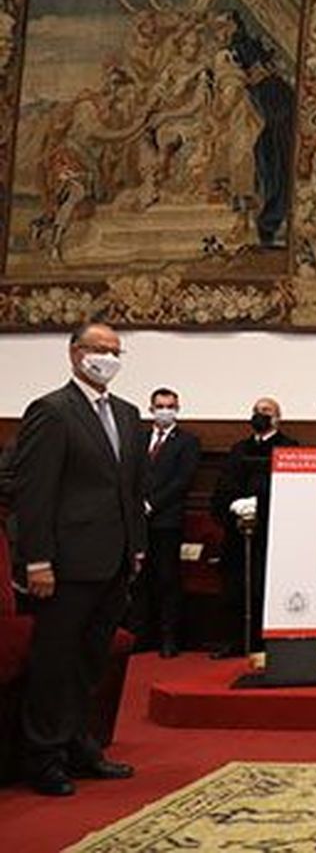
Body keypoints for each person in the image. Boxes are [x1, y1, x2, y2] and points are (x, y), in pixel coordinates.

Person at [12, 322, 146, 796]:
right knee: (55, 661)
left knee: (91, 661)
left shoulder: (128, 415)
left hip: (114, 561)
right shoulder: (52, 411)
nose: (106, 358)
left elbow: (131, 491)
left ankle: (79, 744)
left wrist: (137, 546)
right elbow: (34, 493)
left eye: (114, 350)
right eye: (96, 349)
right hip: (65, 564)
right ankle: (43, 755)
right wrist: (36, 561)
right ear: (74, 354)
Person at [209, 397, 298, 658]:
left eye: (267, 411)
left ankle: (264, 642)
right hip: (237, 531)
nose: (261, 415)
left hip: (270, 533)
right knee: (234, 586)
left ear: (277, 418)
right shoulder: (239, 448)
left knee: (263, 585)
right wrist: (235, 504)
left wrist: (260, 504)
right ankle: (235, 641)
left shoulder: (289, 447)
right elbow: (225, 485)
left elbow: (289, 489)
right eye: (257, 411)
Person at [130, 387, 199, 658]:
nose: (164, 411)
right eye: (160, 406)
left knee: (167, 580)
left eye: (170, 406)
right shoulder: (139, 437)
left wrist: (151, 504)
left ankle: (169, 638)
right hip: (136, 521)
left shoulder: (188, 441)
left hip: (166, 521)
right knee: (138, 580)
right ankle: (140, 635)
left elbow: (182, 481)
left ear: (177, 409)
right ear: (151, 409)